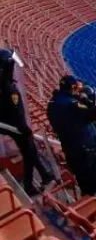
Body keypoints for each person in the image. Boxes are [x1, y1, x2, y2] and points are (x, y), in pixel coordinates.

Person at [1, 51, 55, 197]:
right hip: (17, 128)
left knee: (30, 150)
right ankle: (28, 184)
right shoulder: (8, 88)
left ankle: (44, 174)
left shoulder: (4, 84)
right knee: (29, 153)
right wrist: (25, 129)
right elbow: (16, 114)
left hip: (10, 126)